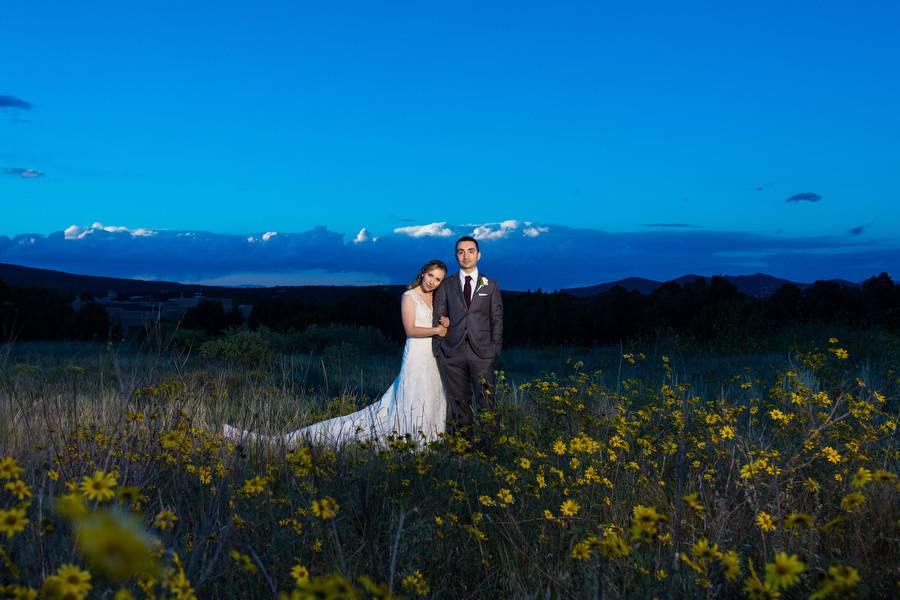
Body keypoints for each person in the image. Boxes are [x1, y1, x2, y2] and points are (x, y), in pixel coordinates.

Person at [223, 260, 451, 447]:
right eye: (430, 275)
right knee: (411, 396)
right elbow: (410, 329)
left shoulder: (437, 299)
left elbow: (443, 325)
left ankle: (430, 440)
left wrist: (445, 324)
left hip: (433, 357)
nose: (432, 281)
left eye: (438, 279)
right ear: (422, 273)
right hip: (415, 354)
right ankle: (407, 439)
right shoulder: (408, 296)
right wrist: (436, 330)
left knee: (432, 395)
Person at [432, 236, 503, 432]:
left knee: (487, 401)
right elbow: (438, 316)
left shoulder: (491, 285)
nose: (466, 255)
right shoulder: (446, 285)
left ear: (478, 255)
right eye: (461, 251)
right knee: (459, 403)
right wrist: (438, 348)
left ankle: (491, 447)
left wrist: (495, 349)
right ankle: (463, 450)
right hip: (452, 352)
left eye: (470, 251)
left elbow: (497, 319)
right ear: (456, 256)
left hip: (483, 353)